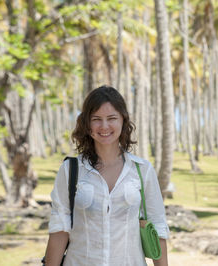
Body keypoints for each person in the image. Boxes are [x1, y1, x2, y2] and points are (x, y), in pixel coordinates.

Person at [44, 85, 169, 266]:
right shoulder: (70, 170)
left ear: (123, 121)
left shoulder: (142, 170)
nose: (104, 126)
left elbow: (157, 228)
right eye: (96, 119)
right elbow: (59, 229)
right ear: (87, 124)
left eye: (112, 118)